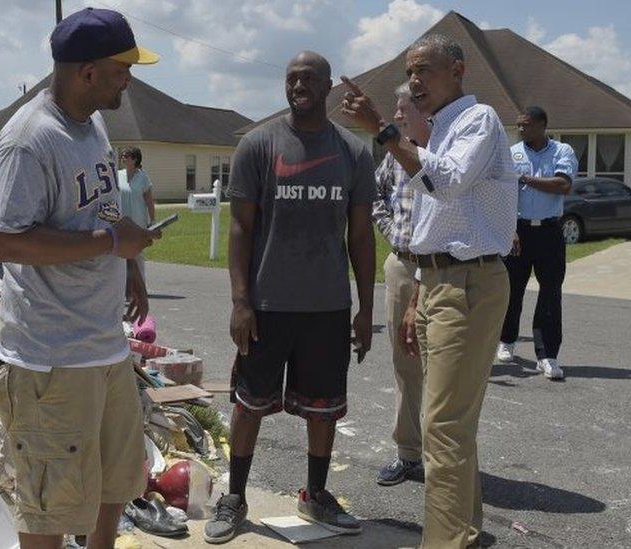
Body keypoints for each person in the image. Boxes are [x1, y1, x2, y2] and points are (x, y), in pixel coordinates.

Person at [0, 7, 160, 549]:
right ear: (87, 72)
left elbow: (101, 206)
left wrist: (128, 261)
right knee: (51, 506)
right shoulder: (28, 140)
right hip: (51, 358)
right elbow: (5, 241)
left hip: (102, 345)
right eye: (122, 68)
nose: (129, 79)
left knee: (112, 482)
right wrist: (111, 244)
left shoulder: (93, 126)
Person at [341, 33, 516, 548]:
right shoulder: (438, 131)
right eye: (410, 71)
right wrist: (419, 290)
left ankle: (445, 541)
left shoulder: (476, 120)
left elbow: (449, 181)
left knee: (442, 425)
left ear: (457, 71)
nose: (415, 80)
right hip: (438, 281)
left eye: (425, 70)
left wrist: (384, 130)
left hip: (469, 283)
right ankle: (464, 529)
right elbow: (436, 221)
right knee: (450, 423)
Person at [204, 50, 376, 544]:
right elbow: (240, 227)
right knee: (249, 405)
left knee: (324, 408)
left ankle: (315, 496)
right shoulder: (259, 144)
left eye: (309, 78)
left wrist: (365, 309)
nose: (298, 85)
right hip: (267, 306)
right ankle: (235, 497)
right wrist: (240, 301)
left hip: (327, 307)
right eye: (291, 78)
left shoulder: (353, 152)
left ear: (328, 88)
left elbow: (361, 237)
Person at [371, 82, 432, 487]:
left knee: (443, 369)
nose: (396, 114)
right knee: (404, 362)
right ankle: (408, 454)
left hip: (443, 271)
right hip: (401, 267)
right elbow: (376, 196)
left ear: (424, 110)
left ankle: (442, 460)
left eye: (402, 107)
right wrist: (393, 233)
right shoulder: (392, 156)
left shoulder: (442, 153)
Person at [496, 106, 576, 380]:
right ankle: (506, 340)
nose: (521, 130)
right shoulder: (512, 153)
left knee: (551, 293)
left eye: (526, 125)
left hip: (550, 231)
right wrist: (511, 230)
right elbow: (505, 193)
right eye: (518, 125)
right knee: (512, 290)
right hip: (519, 230)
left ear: (543, 125)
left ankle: (548, 355)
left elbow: (563, 185)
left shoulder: (562, 152)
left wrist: (526, 180)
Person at [117, 146, 155, 279]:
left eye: (126, 156)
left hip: (138, 222)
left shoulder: (143, 177)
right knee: (121, 255)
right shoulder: (118, 175)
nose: (123, 158)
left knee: (137, 255)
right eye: (123, 156)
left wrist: (152, 220)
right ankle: (124, 289)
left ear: (135, 159)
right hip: (121, 222)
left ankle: (140, 287)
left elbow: (149, 201)